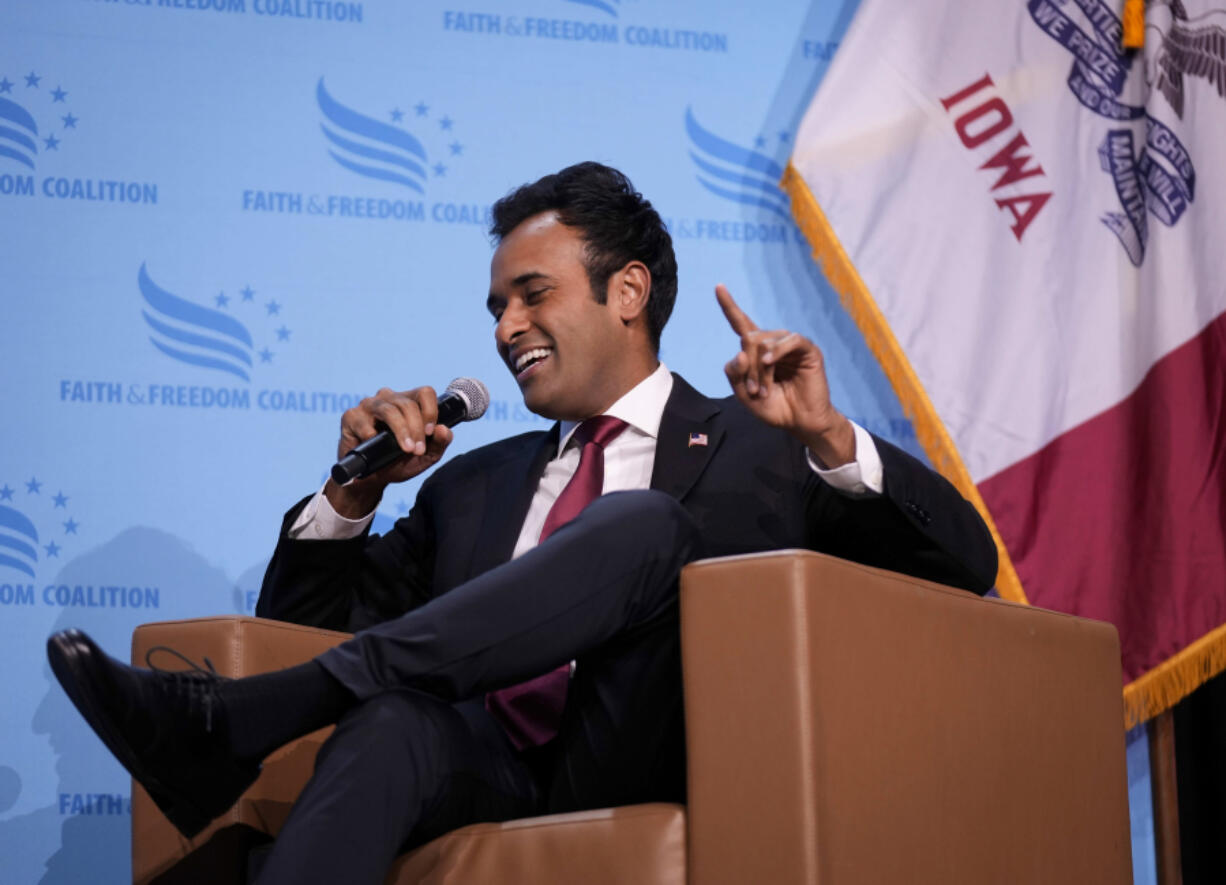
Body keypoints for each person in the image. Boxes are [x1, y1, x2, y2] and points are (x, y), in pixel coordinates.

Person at [48, 162, 997, 884]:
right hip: (480, 769)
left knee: (646, 526)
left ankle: (241, 722)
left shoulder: (759, 445)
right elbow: (307, 623)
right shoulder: (473, 484)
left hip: (650, 761)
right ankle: (249, 722)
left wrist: (829, 433)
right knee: (391, 720)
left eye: (532, 294)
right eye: (497, 305)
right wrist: (354, 492)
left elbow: (965, 560)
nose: (504, 327)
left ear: (626, 292)